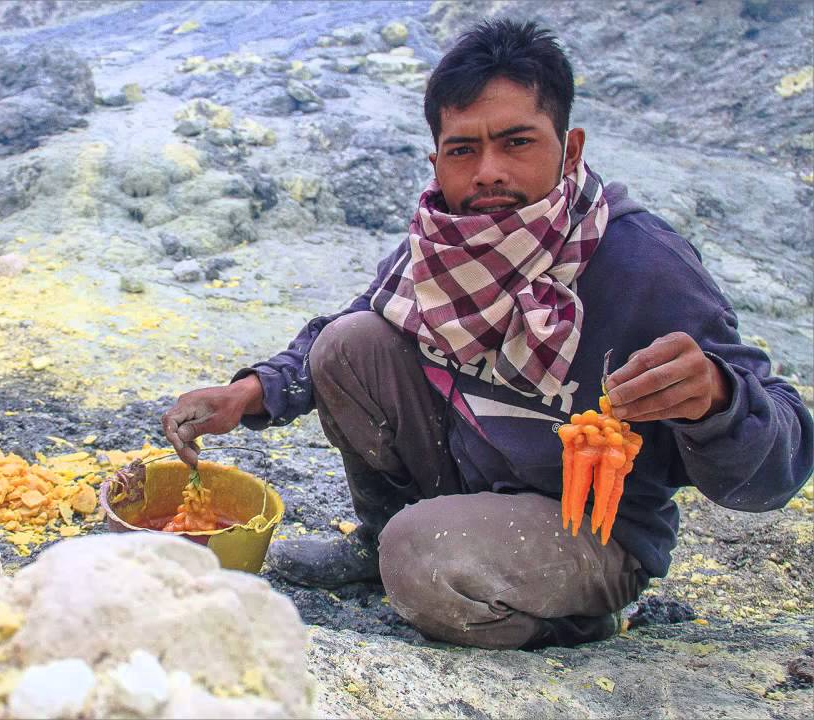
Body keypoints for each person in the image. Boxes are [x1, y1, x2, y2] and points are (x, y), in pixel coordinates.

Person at [160, 19, 813, 650]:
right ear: (437, 161)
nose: (488, 172)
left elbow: (777, 470)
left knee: (421, 560)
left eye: (517, 142)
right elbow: (355, 322)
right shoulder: (446, 240)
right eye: (462, 150)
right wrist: (249, 393)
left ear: (571, 148)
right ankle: (379, 537)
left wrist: (718, 400)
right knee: (350, 343)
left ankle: (581, 618)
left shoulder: (643, 264)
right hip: (473, 481)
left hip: (589, 526)